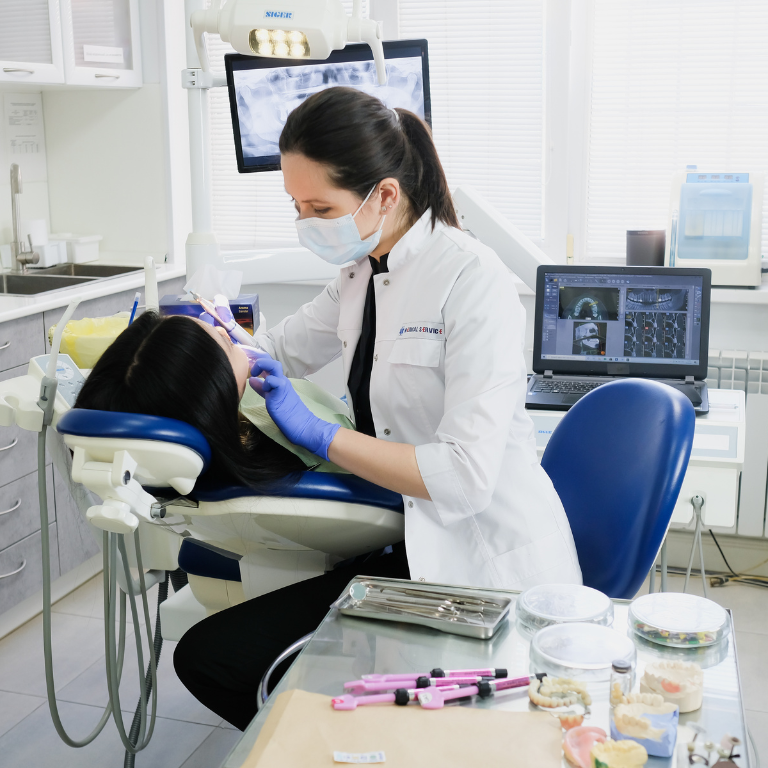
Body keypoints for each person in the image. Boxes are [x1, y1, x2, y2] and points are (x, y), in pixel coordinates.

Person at [171, 86, 582, 729]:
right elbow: (281, 345)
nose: (306, 222)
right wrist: (215, 337)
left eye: (319, 206)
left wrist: (320, 435)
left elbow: (464, 477)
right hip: (403, 538)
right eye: (295, 207)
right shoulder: (362, 269)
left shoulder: (475, 283)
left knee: (221, 661)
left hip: (478, 568)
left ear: (383, 195)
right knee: (229, 658)